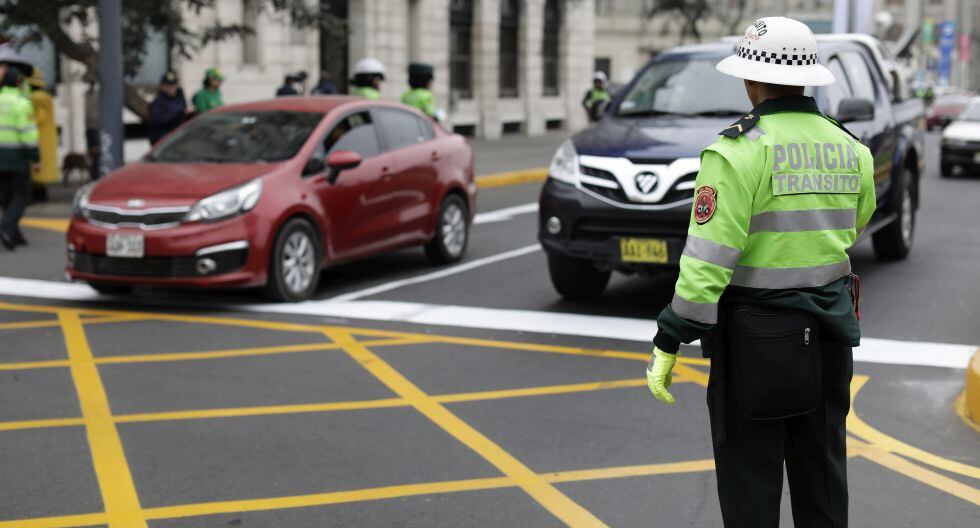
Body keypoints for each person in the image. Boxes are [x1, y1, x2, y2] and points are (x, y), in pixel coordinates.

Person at [645, 17, 875, 528]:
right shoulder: (851, 148)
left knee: (751, 487)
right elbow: (854, 225)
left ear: (751, 80)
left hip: (755, 347)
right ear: (807, 77)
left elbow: (708, 260)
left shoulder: (737, 151)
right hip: (831, 338)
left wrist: (670, 335)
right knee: (824, 482)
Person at [0, 68, 39, 249]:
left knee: (7, 195)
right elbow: (28, 134)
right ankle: (7, 227)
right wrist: (35, 157)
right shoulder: (22, 104)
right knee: (22, 195)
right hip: (17, 158)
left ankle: (14, 234)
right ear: (19, 83)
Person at [147, 71, 188, 145]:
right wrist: (177, 112)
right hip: (163, 141)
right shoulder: (157, 103)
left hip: (178, 140)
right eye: (168, 86)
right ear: (162, 87)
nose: (172, 88)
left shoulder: (178, 99)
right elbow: (157, 122)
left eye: (173, 85)